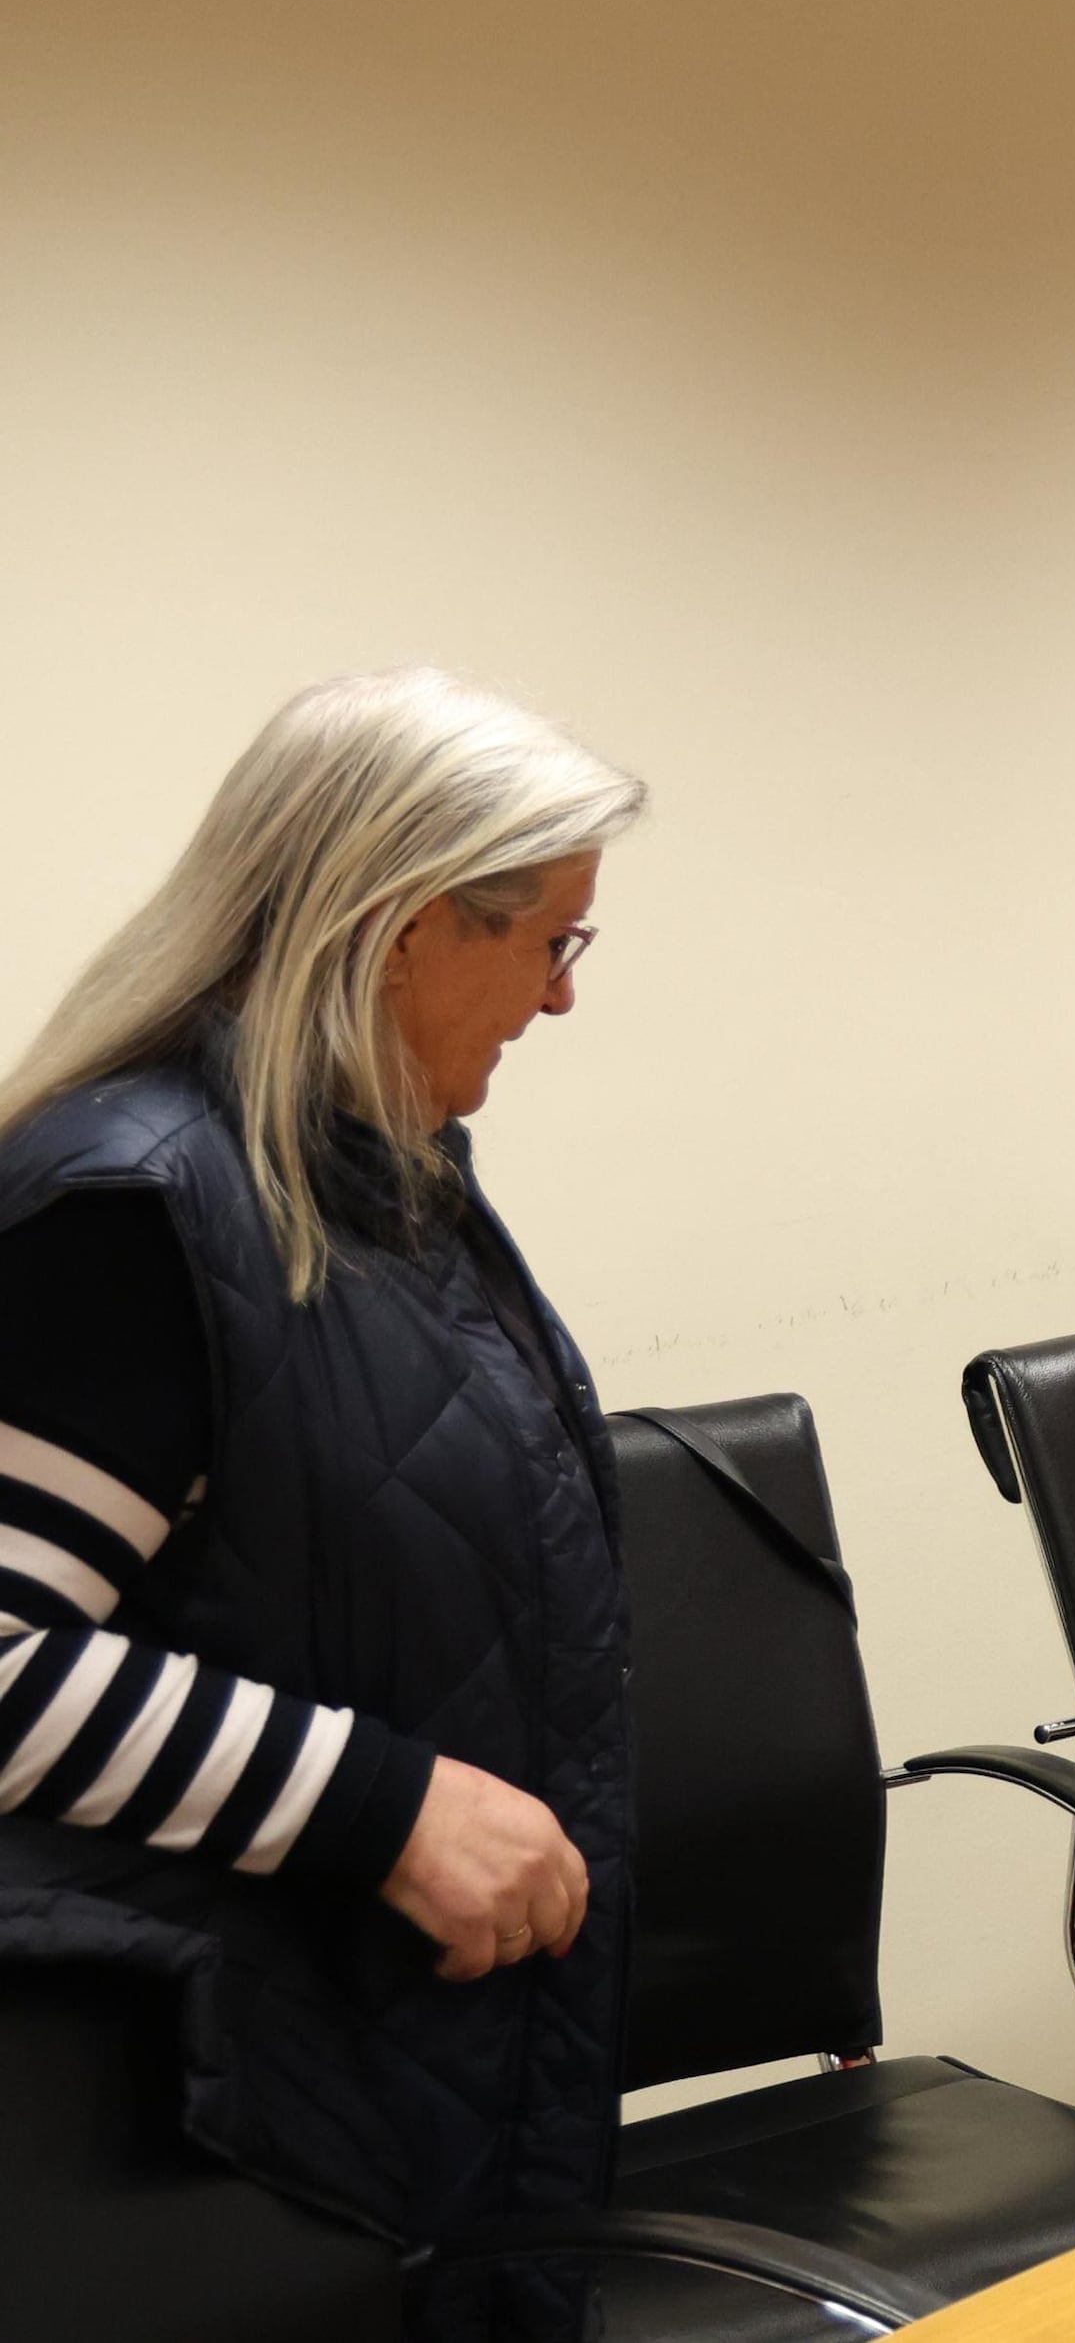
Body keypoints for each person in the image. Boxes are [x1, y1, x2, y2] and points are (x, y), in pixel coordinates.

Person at [0, 670, 647, 2342]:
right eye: (550, 942)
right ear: (409, 925)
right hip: (231, 2127)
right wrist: (385, 1801)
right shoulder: (133, 1204)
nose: (564, 1000)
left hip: (409, 2076)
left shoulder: (373, 1176)